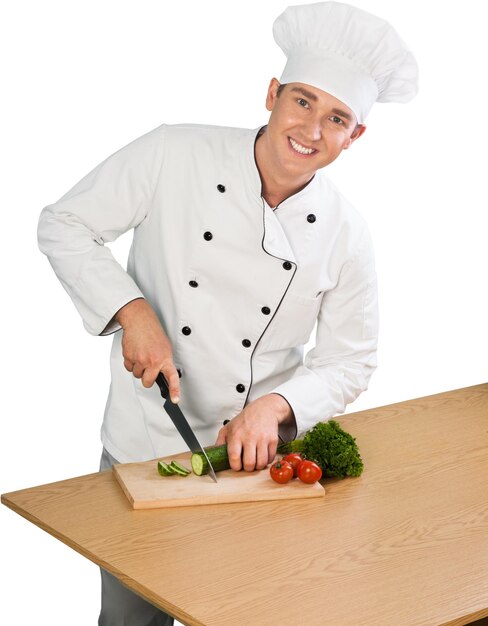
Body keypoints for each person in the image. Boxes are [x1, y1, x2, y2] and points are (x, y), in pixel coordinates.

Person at [37, 2, 418, 624]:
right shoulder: (173, 154)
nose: (312, 130)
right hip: (145, 444)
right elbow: (65, 224)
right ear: (272, 94)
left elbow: (350, 360)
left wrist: (275, 407)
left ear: (356, 135)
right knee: (132, 619)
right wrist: (132, 310)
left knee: (247, 611)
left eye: (337, 118)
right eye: (302, 101)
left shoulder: (348, 234)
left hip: (256, 463)